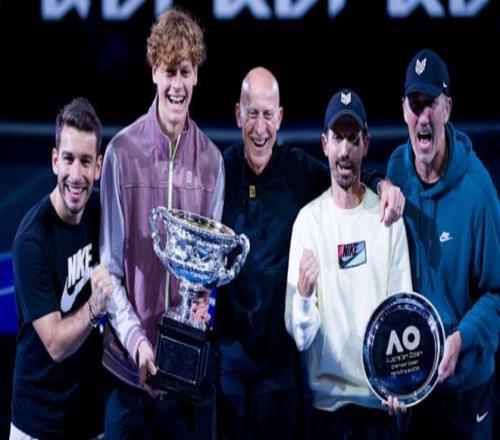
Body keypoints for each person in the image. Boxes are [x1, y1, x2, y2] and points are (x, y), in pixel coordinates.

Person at [214, 67, 405, 440]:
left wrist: (382, 184)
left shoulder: (299, 172)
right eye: (252, 114)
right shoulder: (218, 173)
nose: (260, 127)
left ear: (280, 118)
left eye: (268, 115)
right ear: (237, 114)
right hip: (230, 374)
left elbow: (346, 173)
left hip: (282, 377)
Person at [99, 8, 224, 440]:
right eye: (169, 71)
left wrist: (201, 307)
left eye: (185, 72)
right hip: (126, 373)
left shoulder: (212, 163)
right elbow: (110, 271)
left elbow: (207, 280)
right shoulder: (120, 153)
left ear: (196, 76)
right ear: (154, 72)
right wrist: (138, 342)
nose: (177, 85)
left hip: (184, 381)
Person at [284, 88, 412, 439]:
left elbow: (401, 310)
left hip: (380, 407)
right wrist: (304, 297)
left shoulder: (387, 218)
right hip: (327, 412)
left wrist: (400, 382)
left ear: (366, 145)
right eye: (337, 138)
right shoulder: (308, 222)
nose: (345, 151)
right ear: (324, 143)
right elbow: (301, 337)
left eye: (353, 139)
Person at [387, 48, 500, 439]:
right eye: (415, 104)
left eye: (431, 104)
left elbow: (496, 294)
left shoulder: (478, 192)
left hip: (465, 391)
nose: (423, 117)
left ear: (447, 108)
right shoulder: (396, 170)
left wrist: (460, 339)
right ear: (404, 111)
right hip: (413, 387)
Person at [10, 97, 113, 439]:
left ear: (98, 166)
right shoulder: (32, 239)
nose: (76, 175)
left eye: (86, 161)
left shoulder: (101, 215)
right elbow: (54, 343)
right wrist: (95, 307)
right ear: (55, 161)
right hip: (38, 424)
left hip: (89, 421)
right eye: (68, 159)